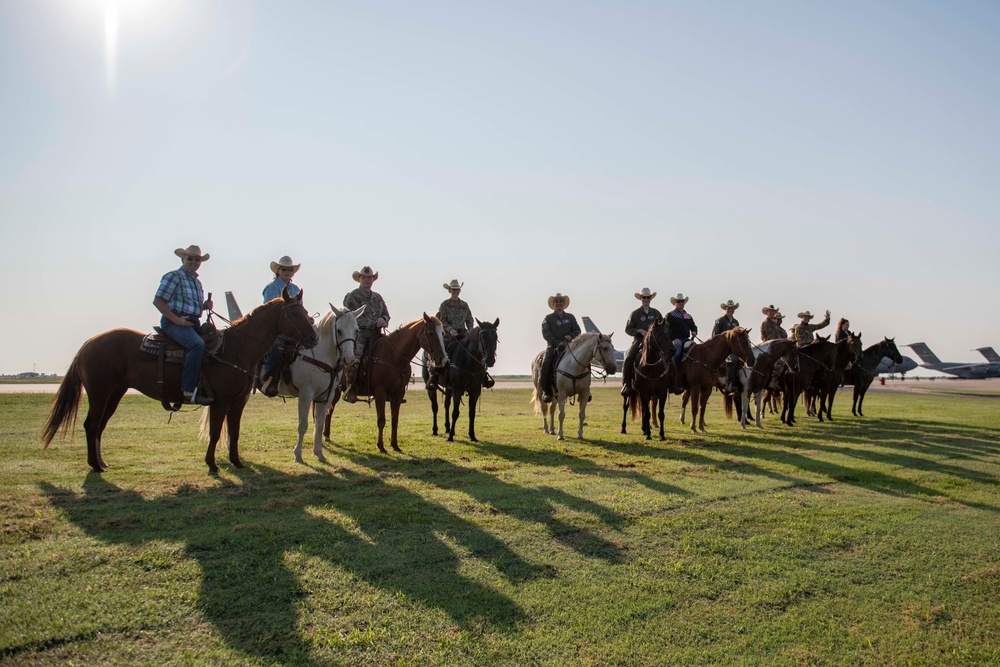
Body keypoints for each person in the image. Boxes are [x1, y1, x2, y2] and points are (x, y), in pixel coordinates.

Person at [152, 245, 214, 405]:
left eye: (197, 259)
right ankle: (188, 390)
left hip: (193, 322)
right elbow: (158, 301)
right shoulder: (174, 276)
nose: (194, 262)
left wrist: (204, 305)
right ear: (183, 259)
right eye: (190, 258)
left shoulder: (197, 282)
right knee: (196, 344)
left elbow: (192, 306)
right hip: (174, 321)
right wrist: (176, 320)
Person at [342, 266, 390, 403]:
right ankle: (350, 388)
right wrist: (374, 322)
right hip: (359, 333)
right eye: (364, 277)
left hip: (377, 334)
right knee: (355, 357)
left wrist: (384, 320)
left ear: (373, 280)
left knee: (390, 355)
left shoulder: (378, 297)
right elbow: (352, 316)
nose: (367, 280)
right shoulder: (352, 296)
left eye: (369, 277)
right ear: (360, 279)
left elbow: (386, 314)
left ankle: (386, 388)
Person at [259, 256, 302, 397]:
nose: (287, 271)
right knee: (277, 348)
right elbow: (269, 311)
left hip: (294, 331)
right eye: (284, 269)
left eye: (290, 269)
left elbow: (300, 310)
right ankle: (270, 379)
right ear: (278, 271)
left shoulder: (296, 289)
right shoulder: (271, 288)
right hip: (277, 330)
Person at [426, 279, 475, 391]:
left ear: (460, 290)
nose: (455, 291)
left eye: (457, 289)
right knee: (441, 352)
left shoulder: (464, 305)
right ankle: (435, 376)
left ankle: (481, 376)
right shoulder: (444, 305)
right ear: (450, 291)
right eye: (453, 289)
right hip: (448, 335)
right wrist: (450, 330)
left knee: (475, 349)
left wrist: (471, 331)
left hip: (463, 334)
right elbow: (441, 321)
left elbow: (469, 320)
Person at [621, 287, 663, 397]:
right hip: (638, 341)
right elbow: (628, 329)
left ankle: (671, 383)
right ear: (641, 298)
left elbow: (664, 326)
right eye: (644, 297)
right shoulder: (635, 314)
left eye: (648, 297)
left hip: (654, 343)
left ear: (651, 299)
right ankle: (626, 384)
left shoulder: (656, 313)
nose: (646, 299)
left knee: (668, 357)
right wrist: (638, 330)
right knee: (629, 358)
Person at [540, 293, 581, 403]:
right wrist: (557, 343)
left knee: (585, 360)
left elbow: (578, 330)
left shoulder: (570, 317)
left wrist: (571, 336)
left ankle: (585, 389)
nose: (559, 304)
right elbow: (546, 333)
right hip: (553, 347)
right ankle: (546, 391)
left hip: (569, 346)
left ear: (564, 304)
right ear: (553, 305)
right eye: (556, 302)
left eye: (561, 302)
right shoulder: (548, 318)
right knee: (546, 364)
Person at [712, 299, 741, 393]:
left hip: (734, 349)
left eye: (732, 308)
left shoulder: (736, 322)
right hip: (723, 350)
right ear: (725, 309)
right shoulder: (719, 321)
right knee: (733, 360)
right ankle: (729, 384)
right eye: (728, 308)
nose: (730, 310)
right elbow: (715, 336)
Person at [666, 293, 698, 361]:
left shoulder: (688, 316)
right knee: (677, 353)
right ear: (675, 303)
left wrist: (694, 332)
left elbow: (693, 326)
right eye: (678, 301)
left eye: (682, 301)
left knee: (697, 351)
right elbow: (666, 329)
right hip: (675, 340)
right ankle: (671, 368)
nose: (680, 303)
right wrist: (673, 339)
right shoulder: (670, 315)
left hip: (686, 339)